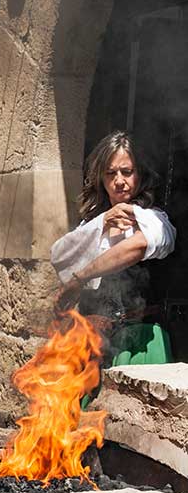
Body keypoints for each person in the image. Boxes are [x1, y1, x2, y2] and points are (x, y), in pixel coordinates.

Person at [52, 131, 176, 364]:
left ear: (140, 175)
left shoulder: (155, 220)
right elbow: (59, 254)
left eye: (127, 172)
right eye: (110, 173)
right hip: (93, 342)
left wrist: (80, 278)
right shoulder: (91, 224)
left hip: (139, 342)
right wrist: (103, 222)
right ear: (101, 178)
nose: (119, 180)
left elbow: (137, 246)